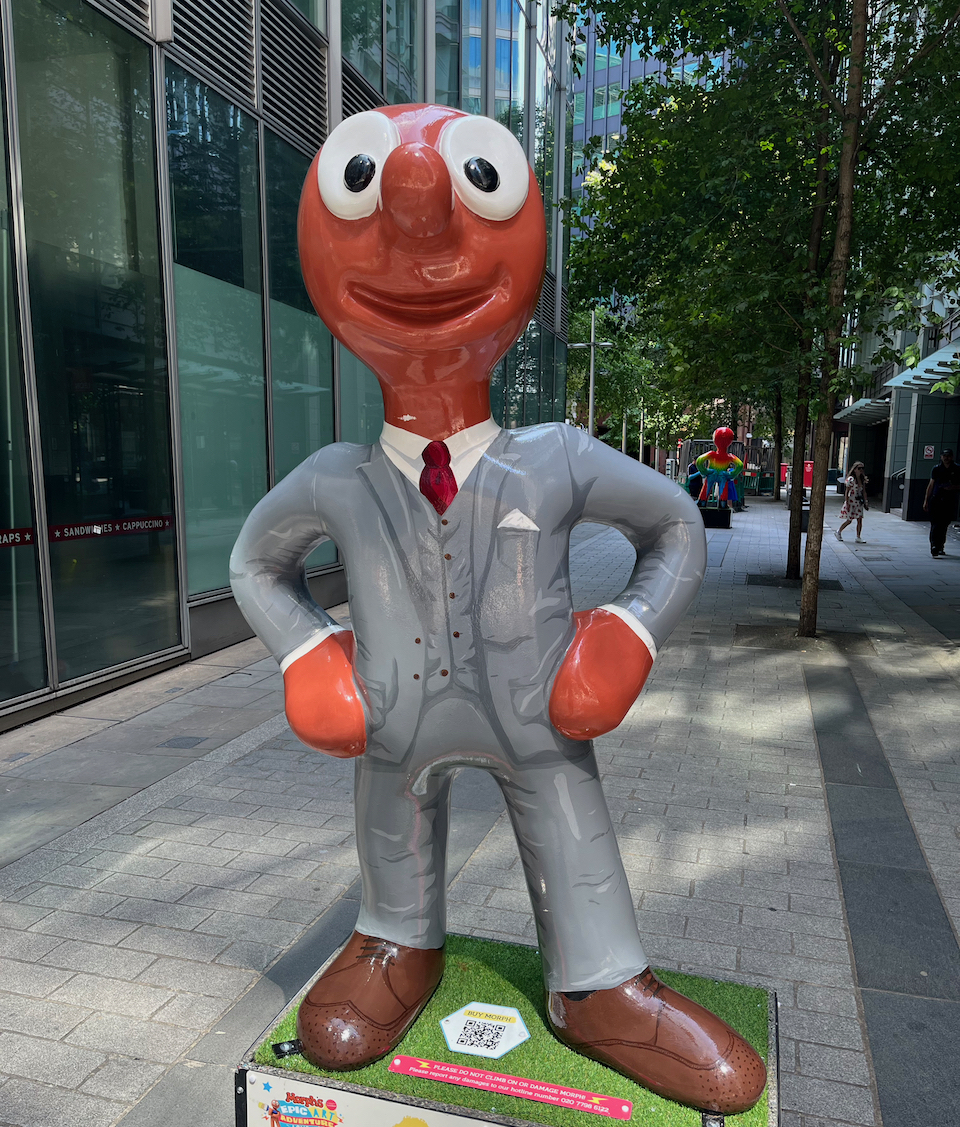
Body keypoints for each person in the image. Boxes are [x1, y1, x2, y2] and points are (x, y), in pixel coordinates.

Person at [230, 105, 765, 1116]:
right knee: (392, 810)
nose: (417, 211)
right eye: (368, 191)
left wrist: (628, 631)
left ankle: (596, 978)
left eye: (472, 186)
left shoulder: (555, 458)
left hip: (538, 718)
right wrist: (308, 652)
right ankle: (397, 935)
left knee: (564, 806)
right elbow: (257, 562)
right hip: (395, 722)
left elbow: (675, 526)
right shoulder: (338, 479)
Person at [923, 448, 960, 557]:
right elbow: (931, 485)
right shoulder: (937, 469)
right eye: (944, 456)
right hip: (936, 499)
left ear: (952, 457)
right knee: (935, 524)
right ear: (941, 457)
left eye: (948, 456)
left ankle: (940, 546)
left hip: (949, 500)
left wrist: (953, 487)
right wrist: (926, 500)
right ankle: (934, 546)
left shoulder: (957, 469)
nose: (946, 458)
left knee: (944, 525)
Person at [835, 461, 869, 542]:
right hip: (851, 502)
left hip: (858, 502)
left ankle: (858, 537)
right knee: (849, 520)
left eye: (862, 468)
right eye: (859, 468)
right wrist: (847, 502)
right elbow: (847, 492)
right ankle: (838, 531)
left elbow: (864, 491)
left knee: (859, 519)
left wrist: (866, 501)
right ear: (855, 469)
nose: (861, 470)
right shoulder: (851, 479)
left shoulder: (862, 479)